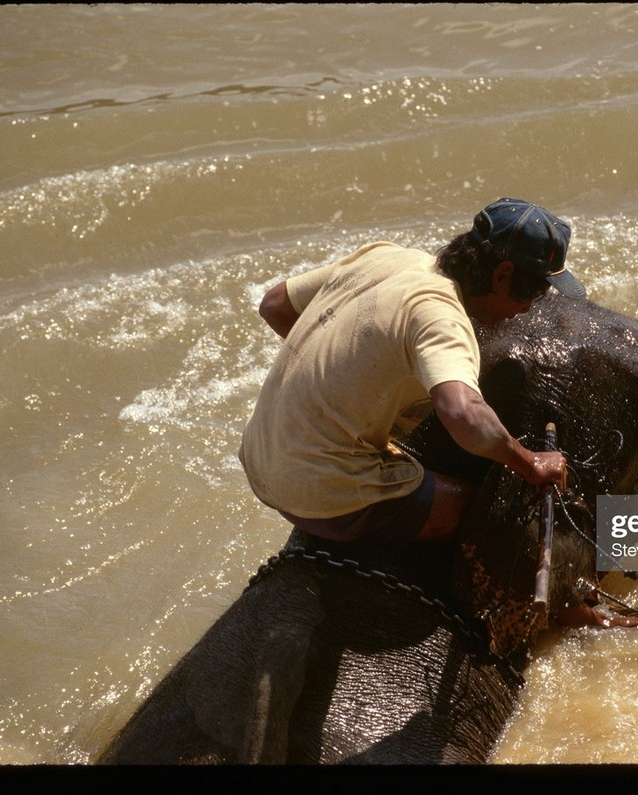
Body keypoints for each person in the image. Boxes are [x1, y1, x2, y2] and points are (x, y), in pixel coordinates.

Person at [240, 198, 585, 544]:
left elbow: (274, 305)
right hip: (316, 492)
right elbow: (463, 414)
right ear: (502, 274)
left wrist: (339, 365)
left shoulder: (386, 256)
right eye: (534, 293)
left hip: (259, 456)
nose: (527, 309)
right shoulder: (441, 317)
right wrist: (529, 463)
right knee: (488, 514)